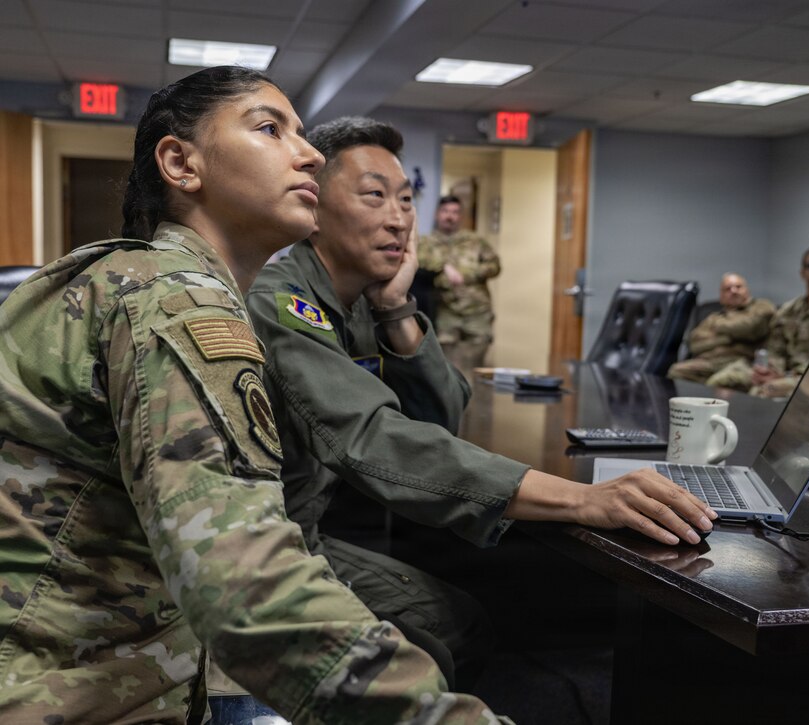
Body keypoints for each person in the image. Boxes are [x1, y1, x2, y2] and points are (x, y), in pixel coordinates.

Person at [0, 66, 509, 724]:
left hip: (117, 650)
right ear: (180, 164)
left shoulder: (157, 279)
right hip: (71, 686)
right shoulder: (176, 298)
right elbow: (244, 584)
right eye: (270, 128)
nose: (311, 153)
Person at [245, 116, 717, 689]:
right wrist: (578, 498)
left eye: (404, 199)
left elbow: (441, 417)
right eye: (374, 196)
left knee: (463, 619)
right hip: (264, 548)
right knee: (446, 633)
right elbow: (370, 437)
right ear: (313, 209)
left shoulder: (362, 303)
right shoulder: (282, 304)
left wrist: (397, 308)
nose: (399, 218)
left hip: (310, 532)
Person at [708, 246, 809, 398]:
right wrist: (770, 372)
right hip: (783, 373)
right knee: (720, 380)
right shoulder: (788, 310)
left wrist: (778, 379)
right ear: (802, 273)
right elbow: (775, 349)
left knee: (763, 391)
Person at [417, 195, 500, 374]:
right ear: (437, 215)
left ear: (460, 216)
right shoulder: (426, 243)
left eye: (455, 212)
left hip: (477, 311)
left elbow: (495, 266)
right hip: (445, 311)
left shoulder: (475, 241)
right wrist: (443, 267)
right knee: (446, 366)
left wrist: (469, 273)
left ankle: (477, 401)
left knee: (475, 366)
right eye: (446, 211)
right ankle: (452, 402)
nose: (450, 216)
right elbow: (419, 261)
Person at [666, 272, 776, 385]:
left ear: (747, 290)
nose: (733, 291)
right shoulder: (714, 317)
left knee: (718, 382)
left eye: (738, 287)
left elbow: (750, 328)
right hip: (709, 362)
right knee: (676, 370)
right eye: (728, 289)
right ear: (721, 296)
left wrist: (718, 330)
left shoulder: (761, 306)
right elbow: (694, 343)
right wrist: (730, 337)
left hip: (741, 361)